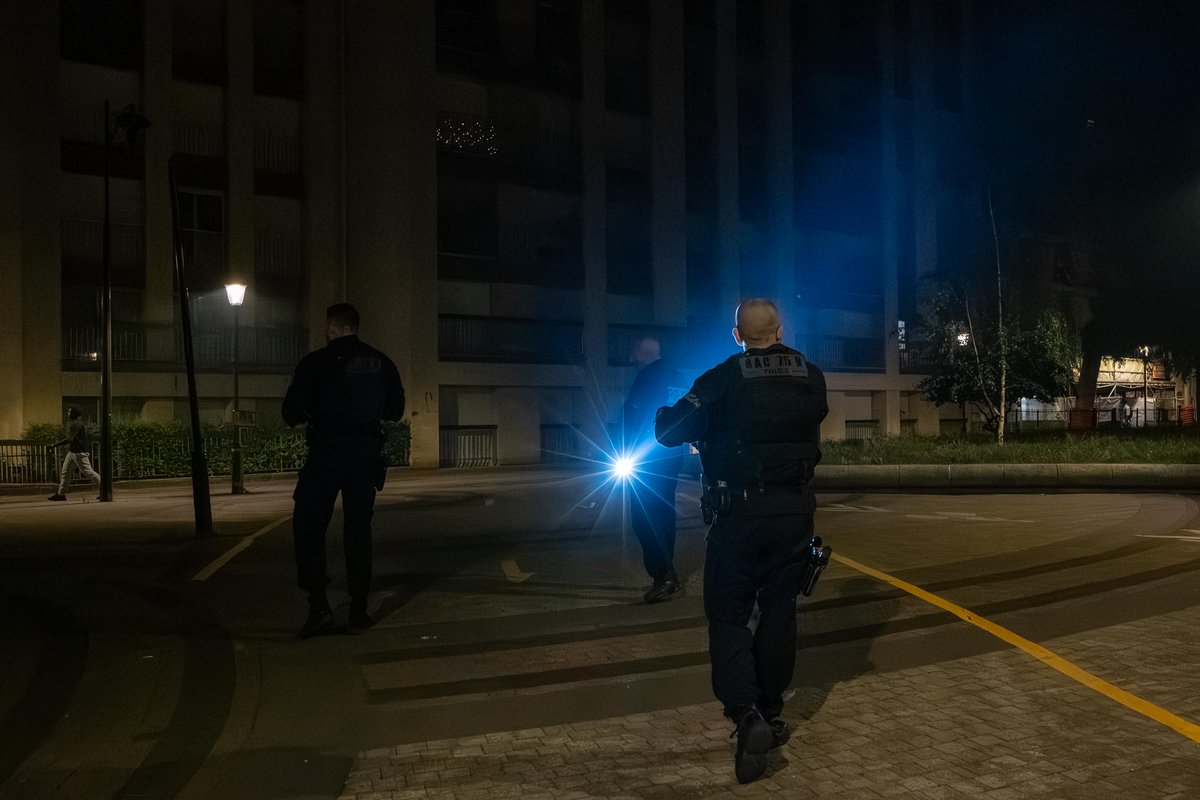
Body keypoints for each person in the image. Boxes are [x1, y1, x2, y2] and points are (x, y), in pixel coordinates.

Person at [654, 298, 828, 784]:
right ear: (781, 329)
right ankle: (771, 712)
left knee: (728, 615)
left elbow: (668, 431)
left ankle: (746, 712)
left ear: (737, 335)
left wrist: (675, 412)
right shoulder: (811, 377)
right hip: (794, 516)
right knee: (779, 612)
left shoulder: (723, 378)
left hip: (739, 519)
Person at [283, 303, 405, 638]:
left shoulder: (314, 364)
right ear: (355, 325)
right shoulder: (381, 362)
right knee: (358, 530)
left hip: (325, 453)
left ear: (331, 326)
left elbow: (290, 412)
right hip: (364, 455)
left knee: (308, 524)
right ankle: (358, 608)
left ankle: (318, 602)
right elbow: (395, 410)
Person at [620, 336, 688, 603]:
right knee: (664, 514)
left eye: (633, 352)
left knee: (643, 518)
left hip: (645, 459)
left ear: (643, 352)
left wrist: (623, 450)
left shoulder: (646, 377)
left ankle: (664, 575)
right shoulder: (677, 378)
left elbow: (634, 417)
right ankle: (668, 572)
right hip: (672, 457)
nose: (630, 357)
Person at [47, 407, 102, 501]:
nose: (68, 413)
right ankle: (61, 494)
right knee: (65, 472)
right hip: (74, 451)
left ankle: (104, 489)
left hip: (79, 452)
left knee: (88, 472)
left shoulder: (76, 424)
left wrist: (55, 444)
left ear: (74, 414)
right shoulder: (78, 424)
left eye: (69, 412)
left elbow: (70, 439)